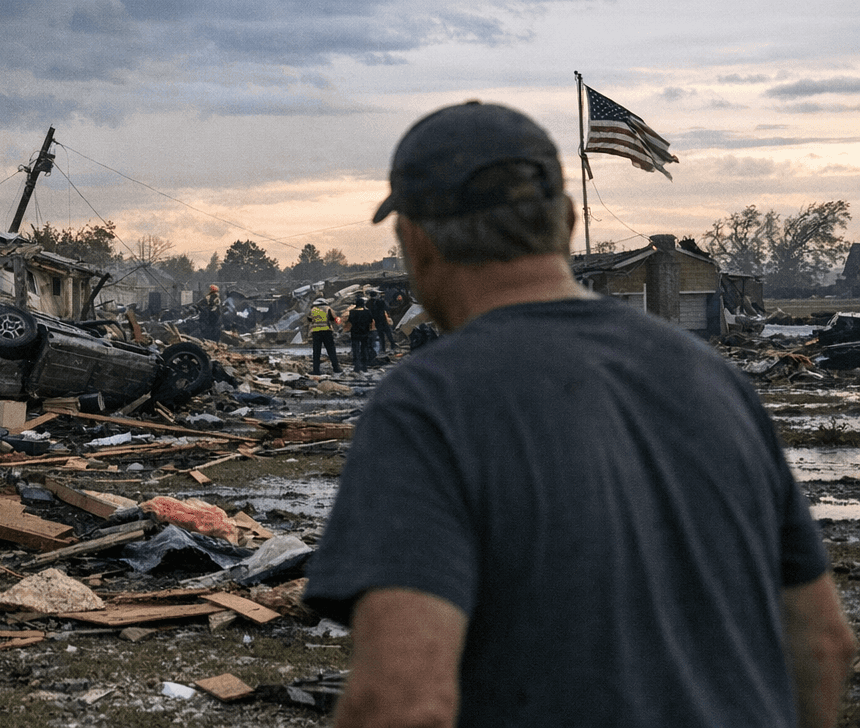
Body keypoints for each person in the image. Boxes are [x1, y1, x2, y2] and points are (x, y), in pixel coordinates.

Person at [305, 101, 854, 728]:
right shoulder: (714, 380)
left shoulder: (429, 403)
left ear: (415, 240)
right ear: (566, 221)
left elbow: (401, 703)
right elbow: (821, 644)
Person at [307, 297, 342, 375]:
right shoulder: (328, 309)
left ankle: (316, 370)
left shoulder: (313, 310)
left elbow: (309, 319)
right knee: (331, 351)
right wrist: (339, 320)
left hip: (316, 333)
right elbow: (334, 319)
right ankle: (336, 368)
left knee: (316, 352)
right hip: (327, 332)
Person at [344, 293, 375, 373]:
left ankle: (357, 367)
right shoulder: (367, 312)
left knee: (355, 350)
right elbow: (371, 322)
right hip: (365, 333)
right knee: (364, 349)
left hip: (355, 333)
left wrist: (345, 329)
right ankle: (364, 366)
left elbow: (350, 322)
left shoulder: (352, 312)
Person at [365, 287, 395, 356]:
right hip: (383, 320)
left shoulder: (369, 303)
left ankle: (383, 349)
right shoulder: (380, 301)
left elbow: (368, 308)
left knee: (381, 336)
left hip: (377, 321)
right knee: (389, 334)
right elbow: (387, 308)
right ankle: (392, 347)